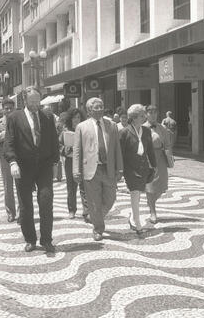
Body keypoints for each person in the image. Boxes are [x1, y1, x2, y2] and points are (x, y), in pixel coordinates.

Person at [4, 86, 60, 253]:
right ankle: (30, 239)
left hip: (44, 166)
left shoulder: (47, 116)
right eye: (32, 101)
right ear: (25, 100)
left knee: (46, 201)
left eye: (38, 101)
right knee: (25, 205)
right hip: (23, 166)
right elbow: (9, 142)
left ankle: (46, 239)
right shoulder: (14, 117)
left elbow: (53, 141)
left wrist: (56, 163)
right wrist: (12, 162)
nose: (36, 105)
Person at [73, 97, 123, 241]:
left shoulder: (112, 125)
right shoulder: (82, 127)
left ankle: (95, 216)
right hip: (90, 170)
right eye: (96, 107)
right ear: (89, 110)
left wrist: (120, 168)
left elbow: (117, 149)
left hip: (109, 169)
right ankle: (98, 228)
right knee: (94, 201)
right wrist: (76, 170)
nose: (100, 109)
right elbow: (77, 151)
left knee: (111, 198)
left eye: (101, 106)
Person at [120, 104, 156, 236]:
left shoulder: (146, 131)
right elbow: (121, 153)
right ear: (134, 118)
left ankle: (132, 217)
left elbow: (150, 150)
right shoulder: (124, 132)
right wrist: (120, 170)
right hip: (130, 168)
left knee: (137, 194)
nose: (145, 117)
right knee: (135, 193)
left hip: (143, 167)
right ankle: (137, 223)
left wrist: (154, 165)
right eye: (142, 115)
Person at [0, 98, 17, 223]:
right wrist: (6, 133)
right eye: (6, 108)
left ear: (14, 108)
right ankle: (10, 212)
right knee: (8, 186)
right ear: (3, 109)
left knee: (22, 185)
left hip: (20, 157)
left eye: (11, 108)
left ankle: (23, 212)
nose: (9, 110)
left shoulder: (20, 121)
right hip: (5, 157)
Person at [143, 105, 172, 224]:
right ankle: (153, 212)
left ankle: (151, 202)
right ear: (146, 114)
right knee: (150, 186)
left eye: (155, 112)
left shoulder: (162, 128)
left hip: (160, 158)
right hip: (147, 158)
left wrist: (169, 157)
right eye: (150, 112)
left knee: (162, 185)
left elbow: (168, 144)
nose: (153, 114)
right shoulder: (142, 127)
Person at [59, 108, 89, 220]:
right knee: (71, 187)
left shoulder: (85, 130)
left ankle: (86, 210)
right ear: (70, 119)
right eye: (74, 118)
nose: (76, 120)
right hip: (70, 161)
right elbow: (59, 145)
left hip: (83, 161)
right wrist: (65, 149)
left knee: (84, 186)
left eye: (78, 117)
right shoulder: (65, 132)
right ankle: (72, 209)